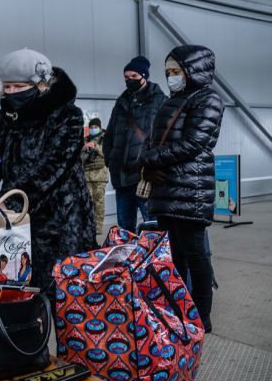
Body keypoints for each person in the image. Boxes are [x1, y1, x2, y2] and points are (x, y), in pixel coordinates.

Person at [0, 48, 96, 296]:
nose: (12, 93)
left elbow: (55, 167)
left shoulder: (67, 116)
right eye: (7, 87)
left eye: (18, 86)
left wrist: (14, 200)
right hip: (20, 220)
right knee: (21, 291)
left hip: (61, 219)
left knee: (63, 293)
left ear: (40, 85)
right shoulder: (6, 117)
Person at [140, 45, 223, 333]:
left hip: (191, 190)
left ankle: (202, 316)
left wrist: (150, 158)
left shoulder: (208, 99)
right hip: (166, 189)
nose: (171, 77)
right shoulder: (173, 100)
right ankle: (179, 308)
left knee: (196, 256)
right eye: (168, 72)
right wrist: (149, 164)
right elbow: (157, 139)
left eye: (176, 71)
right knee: (173, 256)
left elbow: (194, 143)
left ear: (193, 70)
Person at [104, 56, 166, 232]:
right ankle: (129, 259)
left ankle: (155, 259)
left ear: (144, 76)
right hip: (121, 177)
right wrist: (111, 159)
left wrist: (154, 165)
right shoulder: (121, 102)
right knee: (125, 228)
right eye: (126, 77)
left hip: (144, 177)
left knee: (154, 227)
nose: (129, 80)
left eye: (133, 76)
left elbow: (165, 136)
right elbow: (109, 134)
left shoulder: (160, 101)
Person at [81, 118, 108, 235]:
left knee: (99, 203)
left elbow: (106, 154)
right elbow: (81, 159)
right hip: (87, 176)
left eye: (95, 127)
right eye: (91, 127)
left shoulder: (105, 138)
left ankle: (99, 227)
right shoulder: (85, 140)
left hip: (100, 176)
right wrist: (85, 150)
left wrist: (95, 146)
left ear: (99, 127)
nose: (93, 129)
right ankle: (88, 226)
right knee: (87, 203)